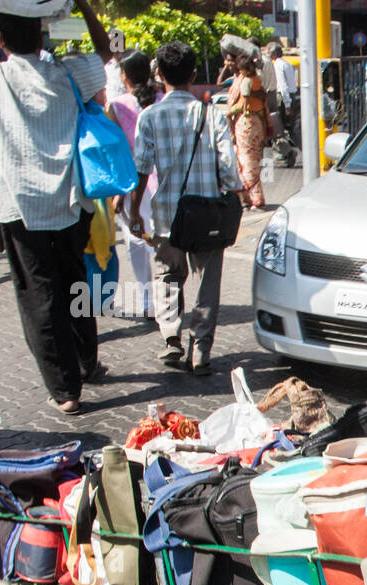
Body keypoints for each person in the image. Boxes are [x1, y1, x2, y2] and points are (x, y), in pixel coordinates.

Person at [0, 0, 113, 416]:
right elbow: (105, 54)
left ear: (0, 39)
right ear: (42, 34)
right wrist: (84, 6)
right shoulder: (68, 72)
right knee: (74, 281)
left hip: (18, 207)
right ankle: (88, 362)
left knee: (39, 294)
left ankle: (66, 390)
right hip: (68, 201)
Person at [130, 40, 244, 377]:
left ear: (159, 74)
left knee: (168, 276)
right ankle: (201, 351)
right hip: (207, 214)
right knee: (207, 283)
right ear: (194, 74)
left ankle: (170, 338)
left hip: (167, 214)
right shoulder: (212, 115)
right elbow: (229, 171)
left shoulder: (149, 116)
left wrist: (135, 211)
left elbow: (142, 168)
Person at [108, 49, 161, 319]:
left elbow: (116, 154)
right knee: (162, 244)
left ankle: (148, 302)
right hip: (164, 182)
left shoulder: (116, 106)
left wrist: (118, 192)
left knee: (137, 244)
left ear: (123, 75)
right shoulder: (163, 99)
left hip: (133, 186)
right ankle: (169, 299)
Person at [226, 54, 267, 209]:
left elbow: (243, 103)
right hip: (256, 124)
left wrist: (229, 113)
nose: (227, 63)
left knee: (246, 162)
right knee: (250, 161)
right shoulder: (257, 80)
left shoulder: (244, 82)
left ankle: (254, 198)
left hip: (246, 124)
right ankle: (249, 197)